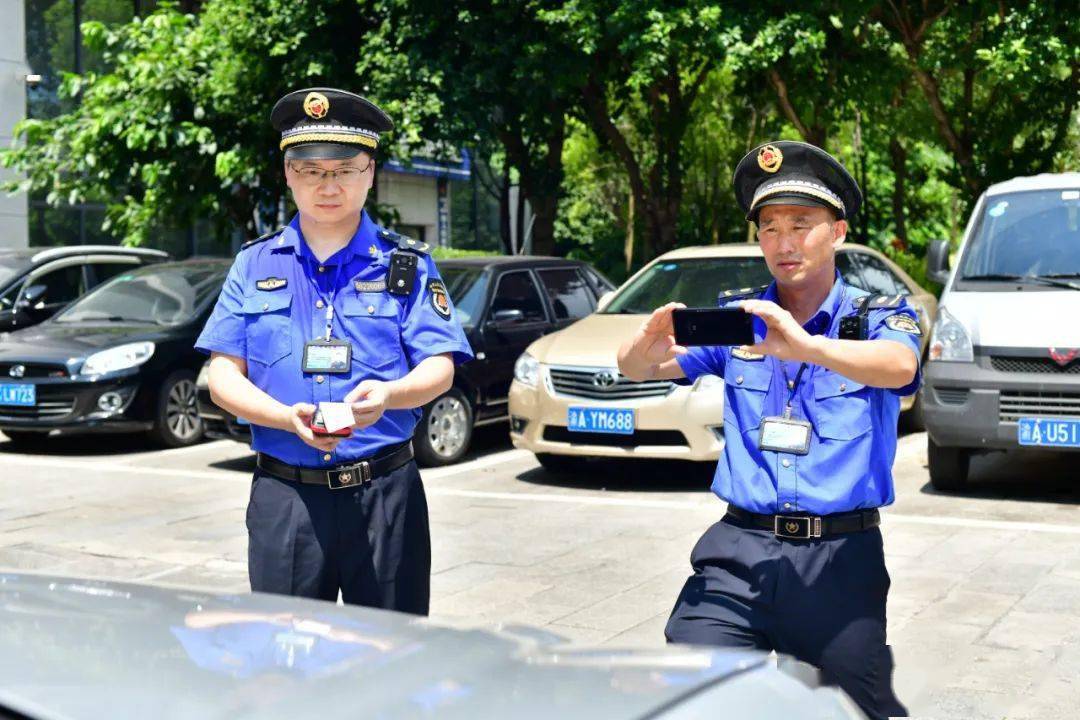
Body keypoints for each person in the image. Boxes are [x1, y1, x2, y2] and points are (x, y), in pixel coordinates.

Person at [617, 140, 918, 718]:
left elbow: (901, 367)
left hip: (838, 555)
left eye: (802, 225)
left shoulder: (877, 314)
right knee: (693, 682)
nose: (784, 242)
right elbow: (643, 369)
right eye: (770, 227)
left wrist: (809, 347)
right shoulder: (740, 318)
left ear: (838, 232)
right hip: (741, 549)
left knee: (850, 707)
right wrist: (641, 347)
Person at [195, 87, 473, 615]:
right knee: (285, 653)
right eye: (311, 170)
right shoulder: (254, 265)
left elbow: (440, 367)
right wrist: (283, 416)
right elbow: (223, 376)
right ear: (288, 174)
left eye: (345, 169)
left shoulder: (407, 264)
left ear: (370, 172)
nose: (329, 185)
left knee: (393, 655)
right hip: (287, 495)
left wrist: (390, 395)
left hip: (385, 493)